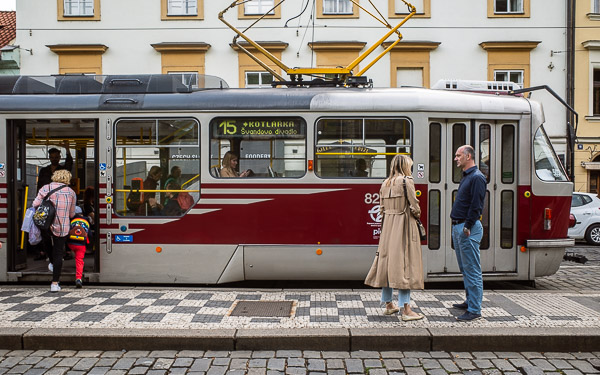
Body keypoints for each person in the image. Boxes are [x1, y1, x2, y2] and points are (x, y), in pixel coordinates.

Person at [364, 154, 424, 321]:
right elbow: (414, 205)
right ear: (405, 165)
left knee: (388, 264)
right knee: (405, 265)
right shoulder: (407, 181)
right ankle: (406, 310)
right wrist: (416, 214)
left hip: (388, 227)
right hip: (404, 225)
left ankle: (389, 305)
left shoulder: (385, 183)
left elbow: (381, 208)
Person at [450, 145, 487, 321]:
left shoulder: (477, 178)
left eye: (458, 155)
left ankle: (474, 309)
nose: (456, 158)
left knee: (472, 270)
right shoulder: (467, 176)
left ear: (468, 156)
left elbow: (476, 205)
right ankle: (469, 301)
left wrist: (468, 226)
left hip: (467, 228)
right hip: (459, 226)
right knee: (466, 269)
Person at [32, 169, 77, 293]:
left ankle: (51, 263)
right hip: (62, 226)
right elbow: (72, 213)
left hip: (45, 224)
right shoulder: (71, 192)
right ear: (67, 179)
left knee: (47, 244)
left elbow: (35, 204)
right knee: (58, 253)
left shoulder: (45, 188)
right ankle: (55, 283)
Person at [34, 143, 73, 261]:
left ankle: (61, 253)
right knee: (46, 230)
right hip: (46, 205)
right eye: (52, 157)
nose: (54, 159)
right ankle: (49, 254)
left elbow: (70, 164)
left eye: (56, 157)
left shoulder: (62, 169)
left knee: (59, 231)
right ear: (49, 157)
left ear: (59, 157)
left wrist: (67, 149)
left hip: (57, 205)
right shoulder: (44, 170)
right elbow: (39, 187)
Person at [66, 206, 91, 289]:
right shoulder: (86, 221)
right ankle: (78, 278)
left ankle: (68, 252)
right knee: (79, 261)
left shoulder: (71, 220)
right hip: (81, 245)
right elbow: (90, 235)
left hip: (71, 243)